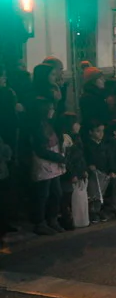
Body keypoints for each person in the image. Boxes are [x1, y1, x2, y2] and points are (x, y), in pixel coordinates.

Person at [29, 98, 66, 235]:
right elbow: (40, 150)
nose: (52, 111)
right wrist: (58, 157)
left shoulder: (50, 124)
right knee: (43, 195)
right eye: (50, 108)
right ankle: (40, 223)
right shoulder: (37, 127)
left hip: (53, 164)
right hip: (44, 165)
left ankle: (52, 220)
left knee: (56, 193)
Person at [84, 121, 112, 223]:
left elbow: (109, 158)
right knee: (93, 193)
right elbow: (86, 158)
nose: (101, 134)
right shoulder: (88, 145)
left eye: (102, 131)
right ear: (91, 132)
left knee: (102, 192)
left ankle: (99, 210)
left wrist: (110, 170)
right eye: (98, 131)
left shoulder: (104, 145)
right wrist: (89, 166)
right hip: (93, 173)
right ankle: (92, 212)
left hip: (104, 172)